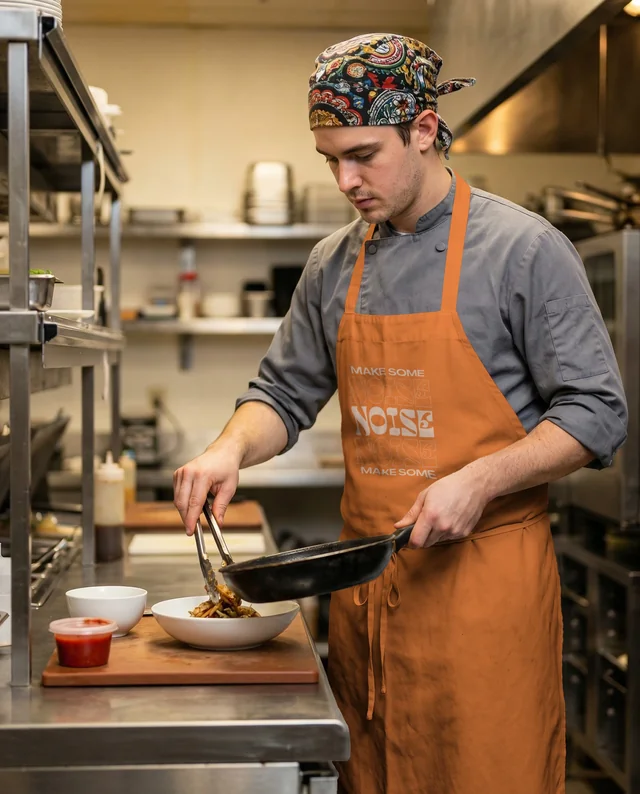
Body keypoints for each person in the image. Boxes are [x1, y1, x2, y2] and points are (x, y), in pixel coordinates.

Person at [174, 33, 627, 794]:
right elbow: (282, 396)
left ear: (423, 129)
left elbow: (597, 412)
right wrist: (228, 449)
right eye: (329, 160)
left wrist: (480, 480)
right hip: (370, 604)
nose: (346, 180)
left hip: (485, 600)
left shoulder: (524, 251)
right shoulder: (334, 263)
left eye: (363, 155)